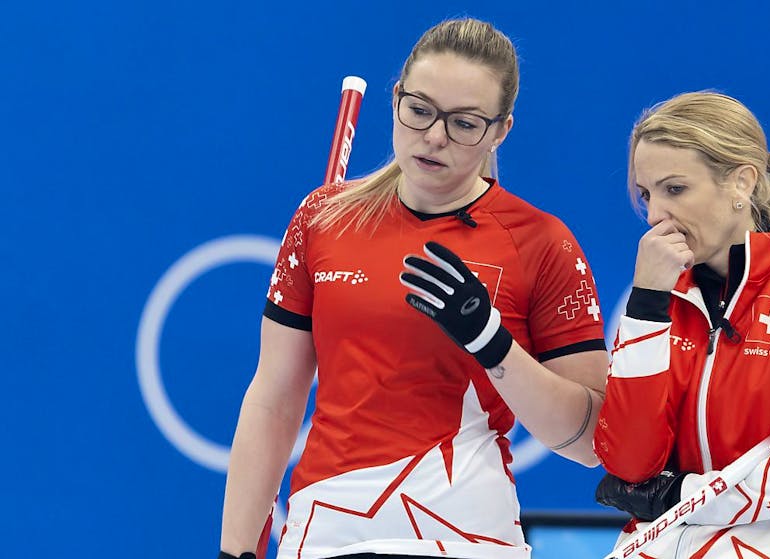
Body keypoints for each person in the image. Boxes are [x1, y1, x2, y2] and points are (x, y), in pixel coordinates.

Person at [218, 17, 608, 559]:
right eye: (420, 110)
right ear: (397, 97)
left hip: (464, 540)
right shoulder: (322, 218)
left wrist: (494, 345)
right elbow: (274, 399)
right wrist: (235, 550)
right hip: (324, 535)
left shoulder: (541, 242)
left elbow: (590, 442)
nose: (435, 137)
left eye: (464, 123)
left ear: (501, 131)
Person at [592, 92, 770, 558]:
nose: (654, 215)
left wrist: (678, 495)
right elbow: (629, 463)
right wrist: (645, 306)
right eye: (646, 195)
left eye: (674, 189)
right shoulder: (660, 299)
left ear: (741, 183)